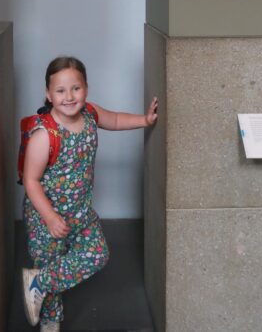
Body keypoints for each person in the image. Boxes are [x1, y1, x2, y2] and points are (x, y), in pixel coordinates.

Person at [20, 56, 159, 330]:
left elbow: (116, 119)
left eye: (76, 88)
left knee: (97, 254)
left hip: (80, 212)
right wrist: (49, 217)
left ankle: (39, 282)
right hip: (46, 217)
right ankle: (51, 321)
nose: (69, 96)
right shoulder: (44, 135)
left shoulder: (91, 114)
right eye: (60, 91)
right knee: (51, 260)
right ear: (48, 95)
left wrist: (144, 119)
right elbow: (31, 180)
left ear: (86, 88)